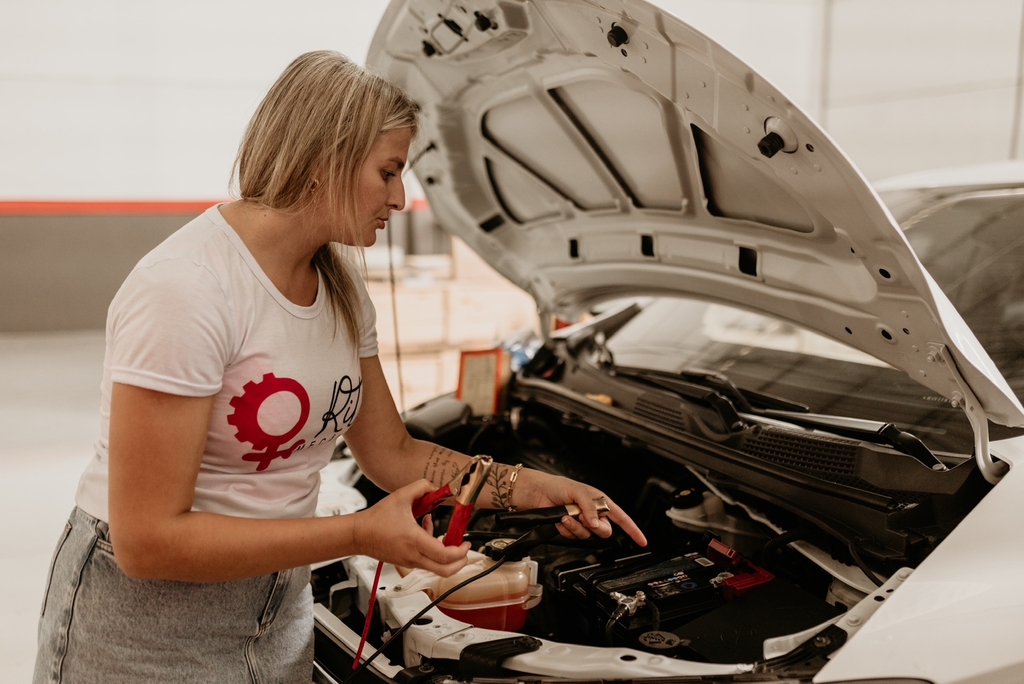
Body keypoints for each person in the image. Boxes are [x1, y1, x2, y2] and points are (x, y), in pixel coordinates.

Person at [33, 50, 646, 684]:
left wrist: (533, 488)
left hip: (278, 606)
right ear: (325, 160)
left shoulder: (340, 289)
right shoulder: (186, 289)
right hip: (147, 628)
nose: (400, 198)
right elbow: (148, 542)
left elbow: (392, 453)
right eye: (388, 172)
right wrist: (357, 533)